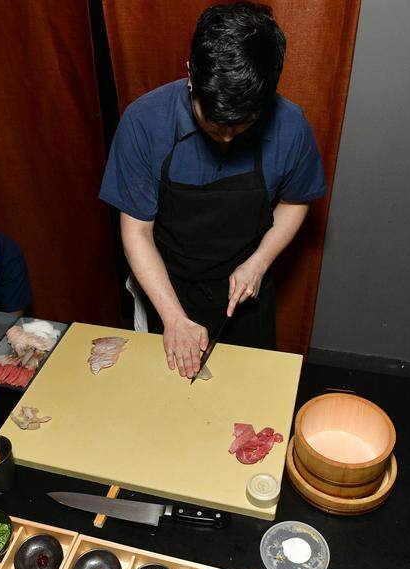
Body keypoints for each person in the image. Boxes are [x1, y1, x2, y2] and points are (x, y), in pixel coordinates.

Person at [99, 2, 327, 378]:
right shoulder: (144, 123)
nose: (224, 138)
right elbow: (137, 231)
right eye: (213, 122)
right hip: (166, 283)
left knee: (248, 394)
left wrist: (259, 262)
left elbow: (295, 202)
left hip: (245, 285)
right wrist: (173, 318)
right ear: (191, 73)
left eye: (241, 126)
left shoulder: (291, 127)